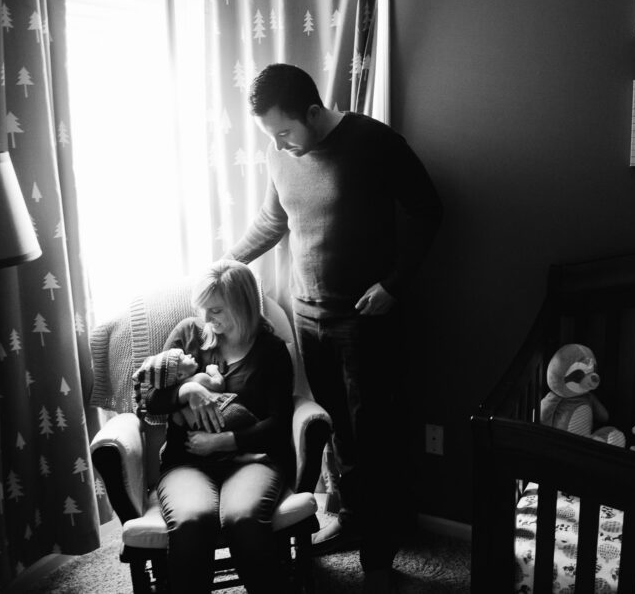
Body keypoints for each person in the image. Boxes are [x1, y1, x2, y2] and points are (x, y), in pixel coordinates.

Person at [227, 63, 443, 592]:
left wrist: (394, 284)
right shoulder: (281, 156)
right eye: (270, 136)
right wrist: (227, 262)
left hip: (365, 319)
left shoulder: (373, 142)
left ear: (313, 111)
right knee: (336, 432)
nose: (278, 144)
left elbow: (428, 209)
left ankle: (379, 559)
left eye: (284, 132)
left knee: (375, 436)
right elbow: (274, 220)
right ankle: (351, 520)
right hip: (308, 314)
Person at [140, 259, 294, 594]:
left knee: (243, 517)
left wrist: (224, 441)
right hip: (187, 463)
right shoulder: (188, 334)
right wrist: (186, 390)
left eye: (216, 310)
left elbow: (279, 423)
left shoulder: (271, 350)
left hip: (251, 460)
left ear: (242, 305)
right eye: (203, 309)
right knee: (192, 519)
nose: (207, 318)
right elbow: (148, 399)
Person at [133, 347, 259, 437]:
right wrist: (213, 370)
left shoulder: (177, 404)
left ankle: (239, 456)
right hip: (226, 412)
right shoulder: (199, 378)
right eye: (184, 357)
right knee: (245, 419)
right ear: (180, 375)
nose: (189, 355)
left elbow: (179, 421)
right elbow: (219, 385)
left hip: (205, 429)